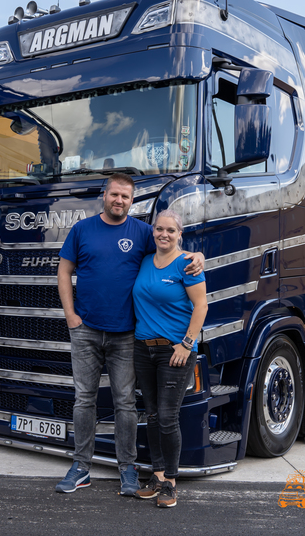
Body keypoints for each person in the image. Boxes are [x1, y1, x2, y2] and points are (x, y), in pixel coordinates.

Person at [55, 173, 204, 495]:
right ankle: (81, 466)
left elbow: (171, 247)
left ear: (131, 201)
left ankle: (128, 470)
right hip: (86, 331)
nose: (119, 200)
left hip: (126, 335)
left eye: (125, 196)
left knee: (125, 402)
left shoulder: (141, 231)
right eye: (114, 195)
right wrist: (70, 316)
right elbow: (64, 271)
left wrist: (198, 256)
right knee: (84, 399)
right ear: (104, 196)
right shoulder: (82, 229)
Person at [132, 209, 208, 508]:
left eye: (171, 231)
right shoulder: (144, 261)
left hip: (174, 351)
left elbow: (201, 306)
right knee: (151, 414)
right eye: (159, 229)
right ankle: (157, 475)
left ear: (180, 234)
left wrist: (186, 344)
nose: (164, 234)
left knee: (166, 417)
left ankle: (171, 484)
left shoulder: (188, 265)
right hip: (142, 349)